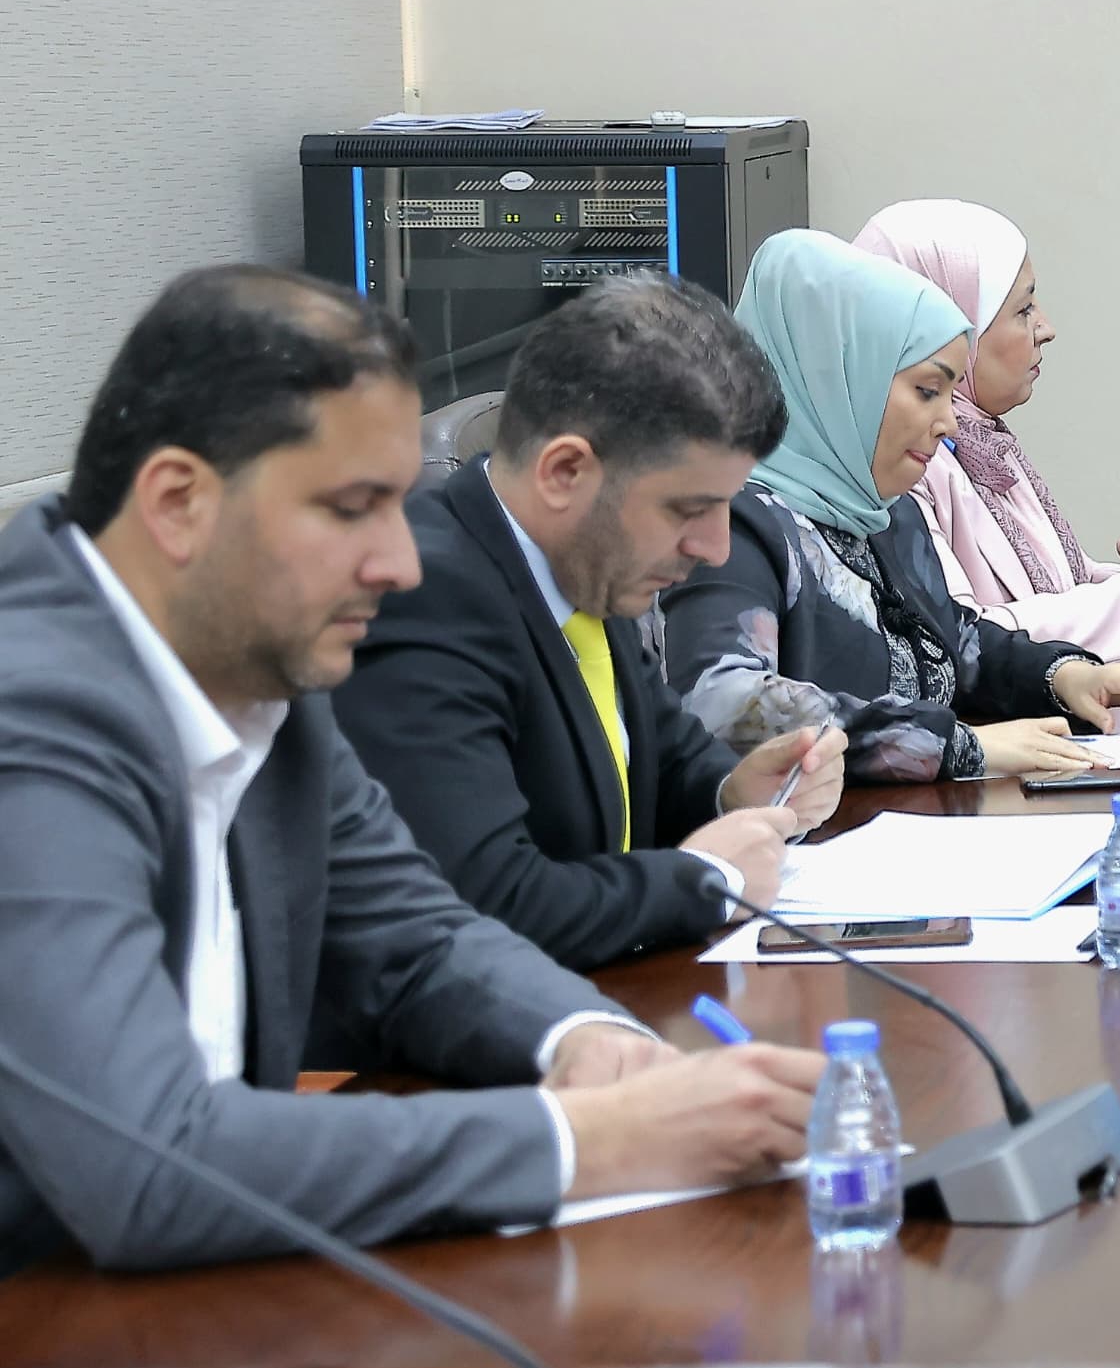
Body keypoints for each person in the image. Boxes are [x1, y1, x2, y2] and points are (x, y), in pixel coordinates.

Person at [0, 268, 820, 1273]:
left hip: (184, 1303)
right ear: (179, 503)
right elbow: (147, 1164)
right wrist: (592, 1139)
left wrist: (581, 1038)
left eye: (399, 506)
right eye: (355, 508)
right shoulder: (30, 713)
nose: (398, 562)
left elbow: (420, 939)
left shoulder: (257, 670)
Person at [336, 278, 852, 971]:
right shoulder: (421, 597)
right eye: (688, 509)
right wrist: (708, 881)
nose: (715, 548)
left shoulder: (583, 560)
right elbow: (484, 903)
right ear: (565, 472)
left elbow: (660, 757)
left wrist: (732, 791)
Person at [662, 233, 1120, 783]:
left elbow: (954, 641)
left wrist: (1064, 676)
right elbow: (724, 701)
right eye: (928, 391)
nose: (948, 422)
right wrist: (953, 745)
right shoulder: (734, 525)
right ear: (840, 380)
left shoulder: (885, 512)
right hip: (805, 831)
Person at [849, 197, 1120, 663]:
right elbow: (957, 643)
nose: (1047, 328)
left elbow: (1056, 588)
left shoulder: (981, 439)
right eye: (1023, 310)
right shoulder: (901, 459)